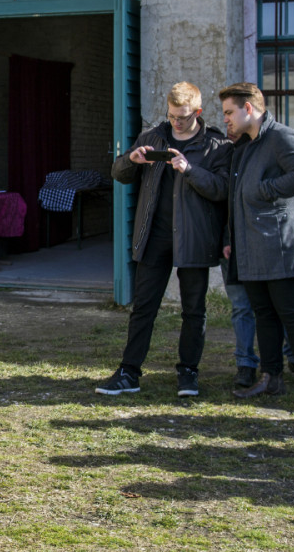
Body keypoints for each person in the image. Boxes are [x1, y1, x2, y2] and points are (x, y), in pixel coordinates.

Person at [96, 82, 232, 397]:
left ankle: (188, 374)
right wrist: (134, 159)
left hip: (195, 238)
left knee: (194, 310)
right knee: (144, 307)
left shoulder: (216, 146)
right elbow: (118, 172)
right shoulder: (152, 137)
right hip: (154, 236)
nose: (177, 122)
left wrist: (190, 169)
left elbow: (222, 189)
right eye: (172, 116)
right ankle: (129, 373)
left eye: (183, 117)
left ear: (198, 112)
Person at [221, 82, 294, 413]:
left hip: (280, 244)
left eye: (229, 113)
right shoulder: (246, 146)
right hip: (250, 246)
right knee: (264, 314)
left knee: (291, 314)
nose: (226, 121)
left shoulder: (281, 136)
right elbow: (236, 196)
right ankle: (271, 378)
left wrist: (264, 189)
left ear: (248, 108)